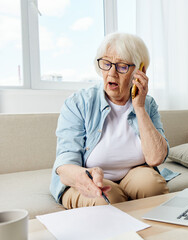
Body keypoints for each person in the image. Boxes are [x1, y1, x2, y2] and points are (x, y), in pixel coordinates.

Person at [50, 32, 169, 209]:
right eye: (106, 64)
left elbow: (155, 158)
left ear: (140, 71)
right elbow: (65, 162)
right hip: (91, 178)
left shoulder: (147, 103)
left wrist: (139, 107)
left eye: (121, 66)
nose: (111, 73)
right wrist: (83, 176)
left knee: (153, 186)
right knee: (106, 199)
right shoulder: (78, 103)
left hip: (133, 174)